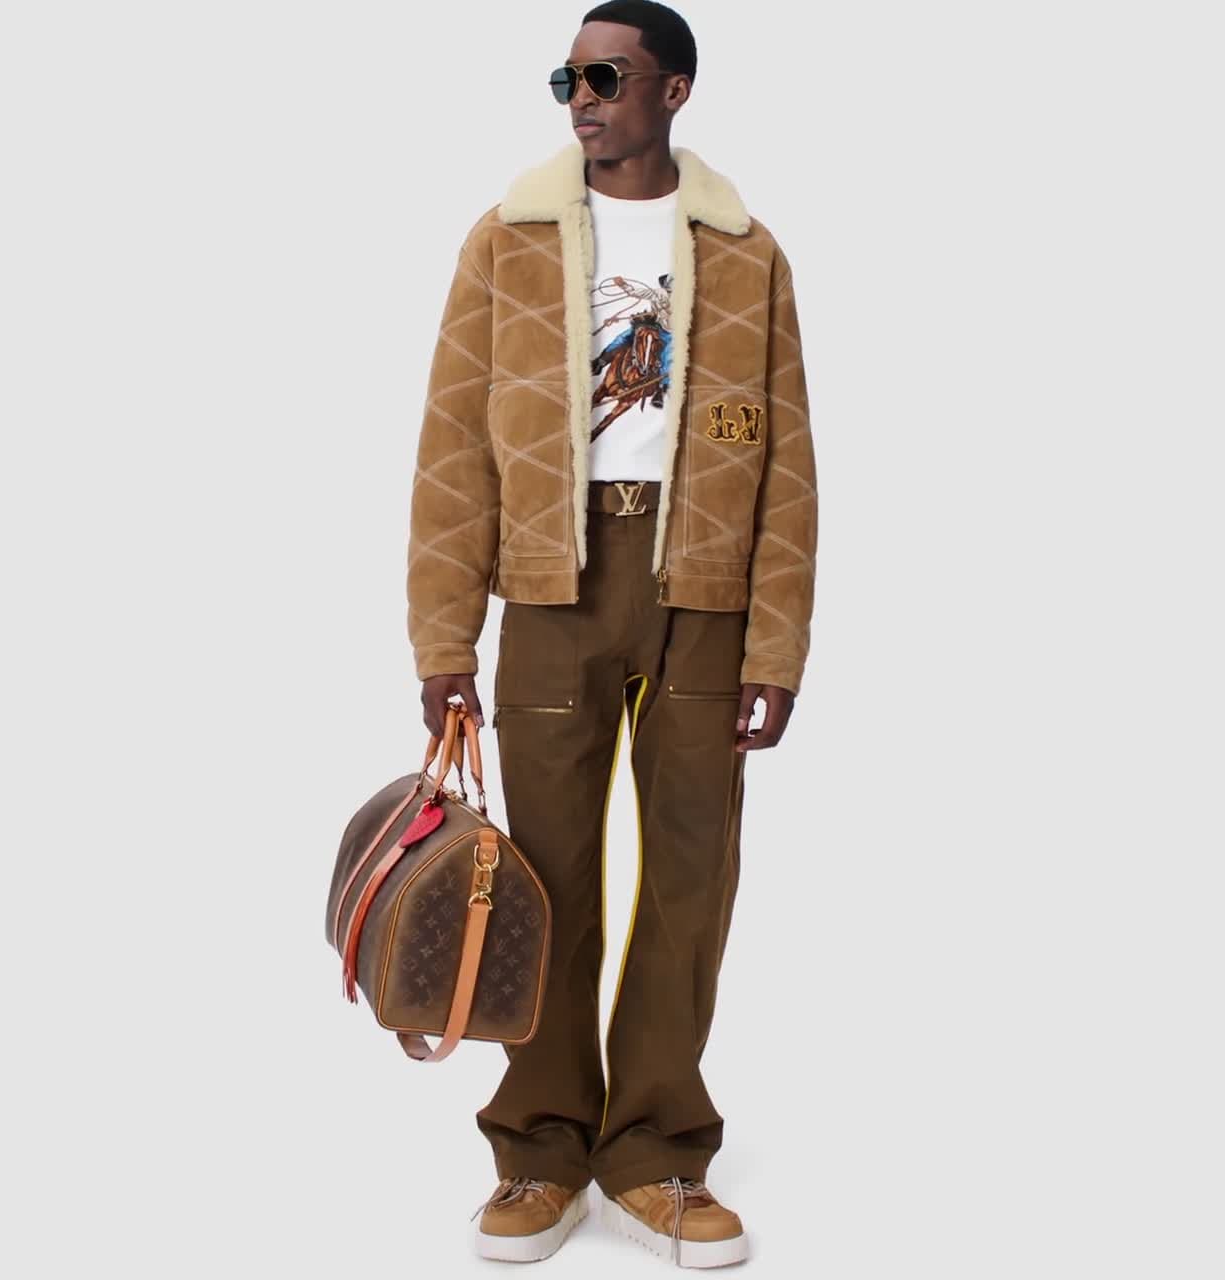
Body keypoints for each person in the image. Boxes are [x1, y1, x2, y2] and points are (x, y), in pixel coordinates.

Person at [405, 0, 818, 1266]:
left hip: (701, 587)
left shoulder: (744, 252)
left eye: (606, 76)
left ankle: (654, 1149)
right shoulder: (507, 239)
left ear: (672, 90)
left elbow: (790, 463)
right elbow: (453, 446)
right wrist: (442, 640)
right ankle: (539, 1147)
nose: (581, 99)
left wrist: (774, 646)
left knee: (690, 876)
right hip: (550, 582)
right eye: (567, 78)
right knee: (544, 876)